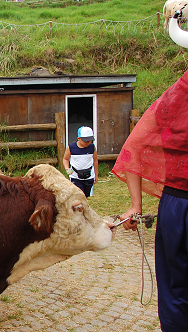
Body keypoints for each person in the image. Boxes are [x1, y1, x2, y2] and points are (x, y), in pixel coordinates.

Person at [113, 71, 188, 332]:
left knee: (176, 286)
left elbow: (135, 147)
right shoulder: (174, 97)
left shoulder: (174, 98)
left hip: (177, 206)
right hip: (177, 201)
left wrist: (136, 205)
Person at [62, 126, 98, 197]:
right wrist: (67, 169)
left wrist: (96, 175)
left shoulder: (92, 147)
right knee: (78, 195)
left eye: (90, 140)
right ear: (79, 138)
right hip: (76, 177)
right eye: (86, 141)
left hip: (89, 176)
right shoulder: (71, 147)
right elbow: (65, 159)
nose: (88, 143)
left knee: (86, 196)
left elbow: (95, 160)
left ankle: (85, 207)